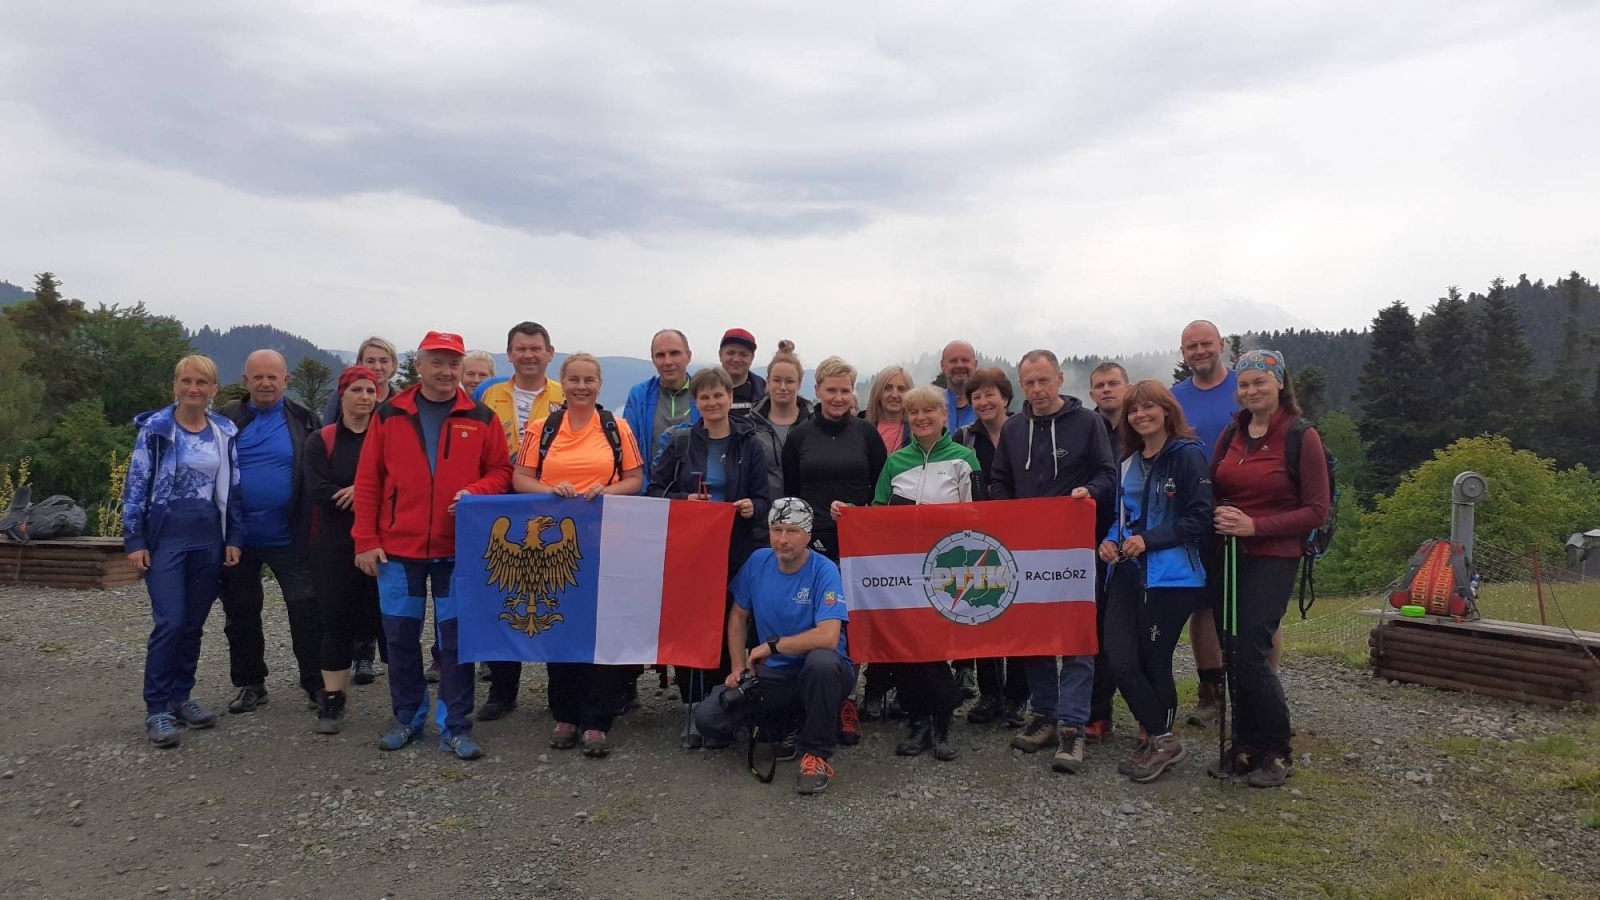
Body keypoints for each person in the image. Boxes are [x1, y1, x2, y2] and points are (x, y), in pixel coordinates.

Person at [353, 331, 514, 760]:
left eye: (453, 364)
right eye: (437, 363)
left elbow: (501, 471)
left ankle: (455, 725)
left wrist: (477, 490)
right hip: (396, 551)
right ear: (419, 366)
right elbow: (369, 481)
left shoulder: (480, 416)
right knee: (401, 639)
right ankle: (407, 718)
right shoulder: (389, 414)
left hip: (456, 550)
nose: (446, 372)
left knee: (457, 641)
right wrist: (365, 540)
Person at [509, 353, 646, 756]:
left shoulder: (616, 428)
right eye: (574, 379)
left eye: (589, 380)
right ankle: (565, 715)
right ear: (562, 383)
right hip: (553, 546)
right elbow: (521, 478)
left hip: (608, 543)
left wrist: (608, 490)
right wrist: (551, 493)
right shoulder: (542, 428)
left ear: (600, 385)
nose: (581, 386)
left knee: (603, 630)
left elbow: (636, 480)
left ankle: (598, 720)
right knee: (561, 627)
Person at [987, 349, 1116, 775]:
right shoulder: (1014, 428)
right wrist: (1007, 512)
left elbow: (1107, 474)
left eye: (1044, 381)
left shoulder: (1089, 424)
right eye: (1029, 383)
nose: (1037, 390)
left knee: (1077, 636)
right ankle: (1044, 713)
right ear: (1020, 386)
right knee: (1034, 632)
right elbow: (1001, 479)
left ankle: (1073, 727)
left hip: (1076, 549)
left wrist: (1088, 494)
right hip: (1027, 550)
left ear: (1060, 379)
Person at [1209, 350, 1329, 788]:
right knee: (1232, 652)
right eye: (1243, 384)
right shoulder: (1231, 435)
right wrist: (1218, 514)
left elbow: (1316, 510)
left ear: (1279, 383)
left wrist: (1255, 525)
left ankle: (1276, 750)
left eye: (1259, 382)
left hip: (1273, 557)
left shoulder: (1302, 437)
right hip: (1228, 555)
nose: (1250, 391)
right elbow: (1215, 484)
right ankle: (1245, 743)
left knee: (1251, 652)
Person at [649, 367, 775, 746]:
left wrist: (753, 507)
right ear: (696, 402)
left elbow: (766, 498)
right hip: (693, 552)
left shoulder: (750, 443)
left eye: (718, 395)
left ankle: (726, 705)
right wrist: (685, 501)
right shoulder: (681, 442)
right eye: (704, 397)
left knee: (728, 624)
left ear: (728, 396)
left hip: (737, 548)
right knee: (691, 626)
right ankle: (693, 708)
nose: (712, 402)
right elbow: (654, 493)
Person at [695, 498, 855, 795]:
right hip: (776, 677)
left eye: (792, 531)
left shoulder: (824, 570)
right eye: (776, 529)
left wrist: (773, 647)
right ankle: (789, 723)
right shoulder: (758, 561)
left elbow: (829, 636)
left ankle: (815, 754)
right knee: (709, 718)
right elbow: (738, 617)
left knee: (822, 661)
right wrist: (737, 667)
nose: (783, 539)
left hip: (821, 673)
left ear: (807, 534)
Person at [124, 355, 244, 748]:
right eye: (186, 381)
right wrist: (135, 540)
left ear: (213, 389)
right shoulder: (156, 429)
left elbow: (233, 488)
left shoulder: (223, 431)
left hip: (208, 535)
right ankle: (156, 707)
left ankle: (180, 697)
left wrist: (234, 538)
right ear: (175, 385)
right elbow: (137, 484)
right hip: (166, 537)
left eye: (202, 383)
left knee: (193, 623)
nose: (194, 389)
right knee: (170, 622)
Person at [1098, 380, 1213, 783]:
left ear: (1167, 411)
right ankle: (1162, 737)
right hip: (1128, 572)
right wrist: (1110, 541)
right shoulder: (1128, 460)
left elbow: (1200, 518)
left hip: (1172, 577)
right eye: (1133, 410)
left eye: (1149, 407)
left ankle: (1158, 740)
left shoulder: (1187, 456)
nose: (1140, 415)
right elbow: (1123, 515)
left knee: (1153, 661)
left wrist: (1149, 540)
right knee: (1118, 656)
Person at [872, 385, 982, 761]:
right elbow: (878, 511)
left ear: (944, 415)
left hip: (946, 568)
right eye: (914, 412)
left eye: (928, 411)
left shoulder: (965, 459)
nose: (921, 418)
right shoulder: (896, 461)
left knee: (934, 648)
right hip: (903, 567)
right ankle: (918, 720)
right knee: (906, 645)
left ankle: (941, 721)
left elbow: (978, 515)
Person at [781, 355, 887, 743]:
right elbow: (792, 492)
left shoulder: (867, 434)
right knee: (813, 619)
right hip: (813, 544)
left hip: (857, 542)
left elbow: (880, 489)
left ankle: (846, 699)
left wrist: (862, 517)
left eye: (845, 390)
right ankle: (808, 697)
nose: (839, 397)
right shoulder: (799, 436)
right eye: (831, 390)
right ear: (817, 391)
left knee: (852, 621)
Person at [218, 350, 322, 714]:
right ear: (246, 380)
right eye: (257, 377)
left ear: (286, 381)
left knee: (307, 610)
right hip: (237, 538)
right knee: (241, 613)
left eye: (272, 377)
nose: (265, 383)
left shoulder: (306, 420)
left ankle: (316, 683)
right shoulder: (226, 419)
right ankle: (250, 684)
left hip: (290, 535)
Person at [302, 366, 385, 734]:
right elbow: (317, 487)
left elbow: (399, 481)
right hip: (334, 544)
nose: (365, 397)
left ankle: (406, 702)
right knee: (335, 623)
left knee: (390, 623)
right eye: (357, 390)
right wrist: (362, 491)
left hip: (383, 542)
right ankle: (332, 700)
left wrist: (361, 491)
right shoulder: (323, 439)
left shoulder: (387, 437)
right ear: (343, 395)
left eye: (371, 390)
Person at [1171, 320, 1240, 728]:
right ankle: (1211, 693)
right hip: (1193, 515)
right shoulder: (1173, 399)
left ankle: (1257, 689)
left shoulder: (1244, 387)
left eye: (1206, 344)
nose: (1199, 351)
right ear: (1182, 352)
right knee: (1204, 607)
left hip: (1243, 514)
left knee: (1251, 608)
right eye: (1191, 346)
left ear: (1221, 345)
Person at [952, 367, 1029, 728]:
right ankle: (990, 693)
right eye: (976, 396)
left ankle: (1017, 697)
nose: (983, 401)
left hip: (1022, 534)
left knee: (1019, 617)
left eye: (990, 394)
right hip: (977, 537)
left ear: (1006, 397)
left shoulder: (1027, 431)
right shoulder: (964, 437)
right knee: (981, 610)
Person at [1084, 360, 1130, 743]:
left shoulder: (1142, 427)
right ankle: (1097, 712)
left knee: (1125, 632)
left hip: (1136, 541)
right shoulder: (1087, 428)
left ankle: (1151, 717)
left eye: (1113, 383)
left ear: (1126, 388)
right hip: (1094, 542)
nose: (1106, 390)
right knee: (1095, 629)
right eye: (1099, 385)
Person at [623, 329, 700, 490]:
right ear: (653, 360)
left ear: (688, 356)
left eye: (674, 353)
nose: (668, 361)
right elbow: (630, 451)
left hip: (693, 495)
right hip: (649, 493)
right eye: (660, 355)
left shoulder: (704, 394)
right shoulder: (640, 395)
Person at [480, 322, 566, 458]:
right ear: (509, 354)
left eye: (535, 349)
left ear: (550, 353)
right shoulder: (489, 394)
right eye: (520, 349)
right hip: (498, 475)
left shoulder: (566, 395)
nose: (528, 355)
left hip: (549, 476)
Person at [751, 340, 811, 464]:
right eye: (777, 380)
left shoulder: (813, 423)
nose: (783, 387)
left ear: (799, 384)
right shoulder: (750, 425)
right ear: (767, 382)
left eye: (789, 381)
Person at [322, 337, 398, 424]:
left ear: (393, 365)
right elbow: (326, 432)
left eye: (384, 361)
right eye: (370, 361)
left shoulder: (402, 400)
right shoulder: (342, 396)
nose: (377, 367)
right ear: (359, 364)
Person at [862, 365, 913, 455]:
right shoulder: (861, 431)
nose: (894, 395)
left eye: (901, 389)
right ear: (878, 392)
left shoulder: (917, 433)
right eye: (888, 388)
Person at [719, 328, 766, 418]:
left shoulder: (765, 393)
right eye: (730, 353)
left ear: (752, 358)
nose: (736, 359)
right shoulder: (701, 390)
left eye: (743, 354)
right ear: (720, 354)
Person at [940, 341, 978, 431]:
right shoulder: (932, 406)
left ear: (975, 365)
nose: (960, 365)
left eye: (965, 360)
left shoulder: (987, 407)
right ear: (942, 366)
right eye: (953, 361)